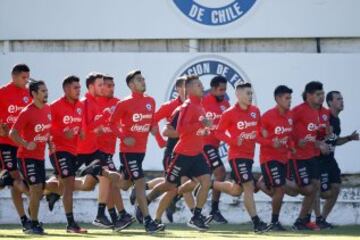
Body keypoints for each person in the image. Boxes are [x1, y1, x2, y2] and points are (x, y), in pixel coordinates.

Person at [109, 69, 165, 233]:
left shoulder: (151, 101)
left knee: (123, 185)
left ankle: (101, 172)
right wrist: (123, 137)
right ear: (131, 85)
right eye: (139, 80)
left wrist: (160, 139)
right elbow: (112, 123)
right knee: (140, 183)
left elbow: (152, 123)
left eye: (143, 79)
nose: (143, 81)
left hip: (141, 152)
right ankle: (148, 221)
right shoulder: (124, 103)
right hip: (128, 152)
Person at [214, 82, 268, 233]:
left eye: (251, 93)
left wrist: (264, 132)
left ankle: (211, 184)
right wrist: (232, 141)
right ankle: (257, 223)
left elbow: (258, 128)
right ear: (238, 95)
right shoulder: (229, 113)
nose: (250, 96)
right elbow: (218, 132)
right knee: (249, 185)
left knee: (236, 191)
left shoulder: (255, 111)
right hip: (237, 156)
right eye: (247, 93)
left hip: (249, 157)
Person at [9, 80, 51, 234]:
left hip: (40, 157)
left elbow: (46, 131)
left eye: (46, 90)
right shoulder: (26, 112)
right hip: (26, 157)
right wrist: (26, 144)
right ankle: (34, 224)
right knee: (36, 188)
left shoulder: (48, 109)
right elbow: (12, 133)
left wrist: (50, 144)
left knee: (39, 192)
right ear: (33, 94)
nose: (46, 93)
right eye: (42, 91)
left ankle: (13, 182)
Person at [0, 64, 32, 232]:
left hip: (23, 145)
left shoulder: (29, 94)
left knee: (15, 183)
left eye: (28, 78)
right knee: (15, 178)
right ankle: (32, 204)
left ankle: (24, 219)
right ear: (13, 76)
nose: (26, 81)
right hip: (5, 143)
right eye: (23, 78)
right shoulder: (3, 92)